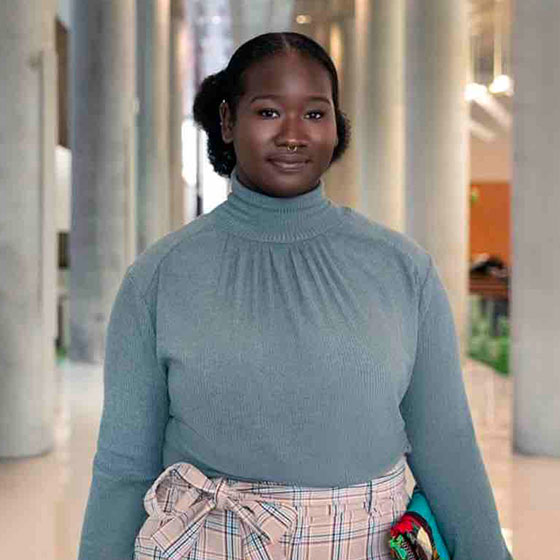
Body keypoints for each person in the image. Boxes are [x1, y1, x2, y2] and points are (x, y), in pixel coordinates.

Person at [78, 32, 512, 560]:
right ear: (227, 121)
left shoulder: (403, 269)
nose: (292, 135)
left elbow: (448, 446)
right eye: (268, 112)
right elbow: (125, 467)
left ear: (336, 125)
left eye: (314, 113)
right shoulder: (158, 278)